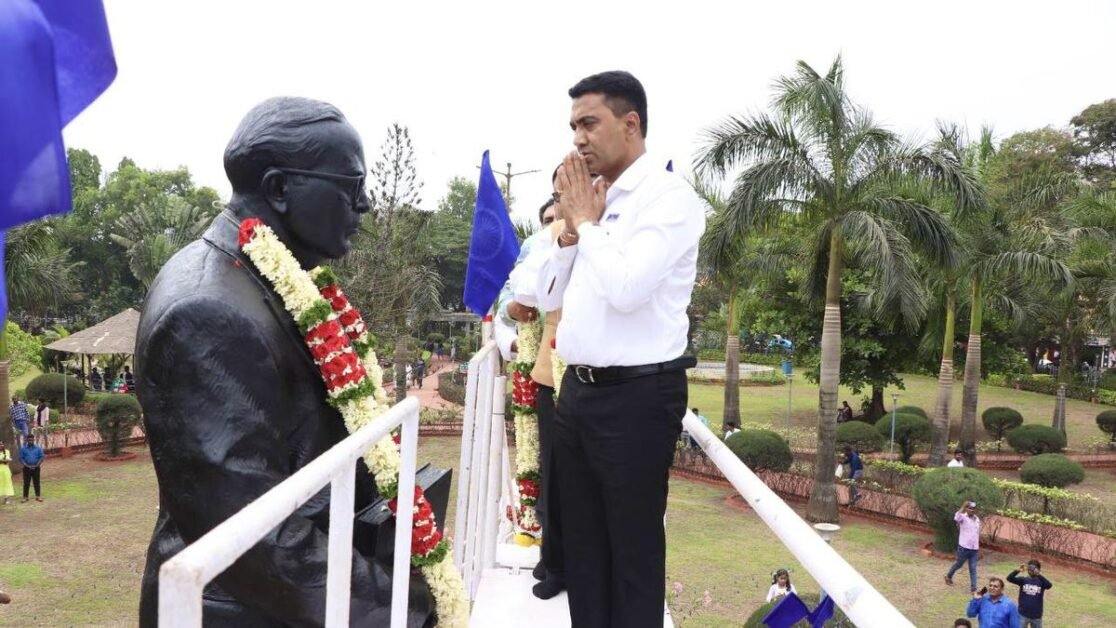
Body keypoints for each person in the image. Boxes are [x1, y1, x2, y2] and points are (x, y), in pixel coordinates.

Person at [133, 97, 433, 627]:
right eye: (350, 186)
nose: (364, 205)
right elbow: (252, 535)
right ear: (278, 189)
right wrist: (398, 608)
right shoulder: (205, 309)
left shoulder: (269, 277)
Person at [536, 70, 706, 628]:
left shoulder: (668, 198)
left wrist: (586, 222)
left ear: (630, 124)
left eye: (590, 123)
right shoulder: (592, 203)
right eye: (573, 126)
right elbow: (546, 297)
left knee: (631, 555)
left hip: (637, 397)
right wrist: (568, 233)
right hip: (577, 393)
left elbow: (629, 289)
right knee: (583, 552)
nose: (578, 138)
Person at [498, 192, 566, 600]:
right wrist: (512, 311)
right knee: (554, 470)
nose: (555, 221)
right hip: (548, 373)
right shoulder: (542, 244)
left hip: (604, 376)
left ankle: (575, 561)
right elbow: (514, 296)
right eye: (550, 216)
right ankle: (554, 559)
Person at [945, 500, 982, 592]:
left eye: (973, 509)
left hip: (974, 549)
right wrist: (963, 506)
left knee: (973, 568)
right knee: (959, 564)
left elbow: (976, 533)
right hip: (963, 548)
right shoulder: (963, 517)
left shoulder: (977, 519)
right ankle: (948, 576)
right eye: (969, 508)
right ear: (966, 509)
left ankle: (973, 588)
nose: (972, 510)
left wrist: (978, 547)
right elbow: (956, 518)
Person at [1007, 559, 1053, 628]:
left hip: (1036, 615)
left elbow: (1049, 585)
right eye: (1029, 568)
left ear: (1038, 570)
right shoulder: (1023, 580)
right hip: (1023, 614)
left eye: (1033, 568)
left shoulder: (1041, 582)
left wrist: (1039, 575)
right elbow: (1009, 578)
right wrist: (1017, 570)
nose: (1031, 570)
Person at [19, 434, 44, 503]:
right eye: (29, 440)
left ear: (33, 440)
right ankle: (25, 497)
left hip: (36, 468)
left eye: (31, 440)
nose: (30, 441)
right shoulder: (23, 449)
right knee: (26, 483)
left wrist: (36, 465)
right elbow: (21, 458)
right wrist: (26, 465)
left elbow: (41, 457)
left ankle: (38, 496)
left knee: (37, 482)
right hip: (26, 468)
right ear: (26, 440)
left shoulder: (38, 448)